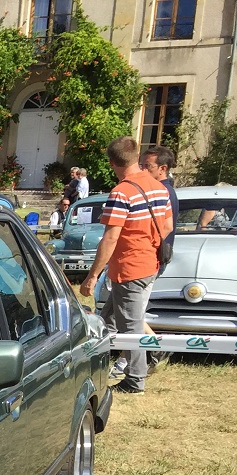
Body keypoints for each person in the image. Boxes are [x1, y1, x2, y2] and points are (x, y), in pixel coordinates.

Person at [79, 136, 173, 395]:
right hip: (149, 264)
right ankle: (95, 363)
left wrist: (92, 276)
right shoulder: (158, 187)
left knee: (131, 327)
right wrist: (146, 245)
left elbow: (110, 238)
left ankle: (135, 380)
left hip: (130, 268)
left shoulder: (121, 193)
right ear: (136, 157)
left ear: (112, 163)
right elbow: (167, 226)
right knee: (108, 318)